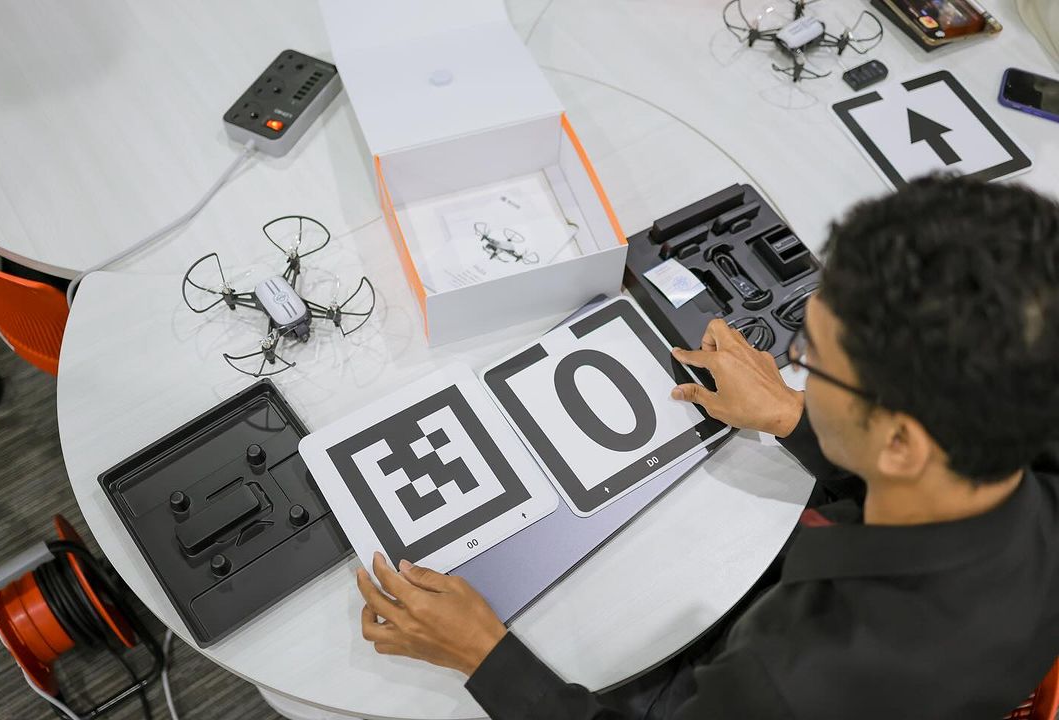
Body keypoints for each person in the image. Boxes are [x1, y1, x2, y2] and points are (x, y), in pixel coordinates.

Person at [354, 175, 1059, 718]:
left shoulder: (793, 679)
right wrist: (793, 415)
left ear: (901, 442)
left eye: (814, 358)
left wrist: (482, 653)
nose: (792, 363)